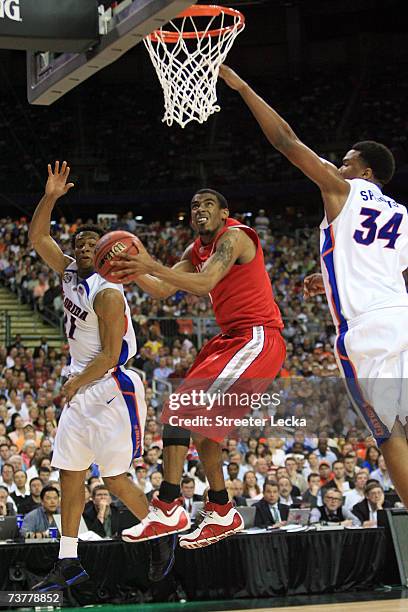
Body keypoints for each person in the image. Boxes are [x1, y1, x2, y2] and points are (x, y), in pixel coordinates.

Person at [219, 64, 408, 512]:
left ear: (363, 168)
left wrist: (243, 86)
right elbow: (388, 271)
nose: (338, 166)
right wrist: (326, 276)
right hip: (401, 316)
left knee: (390, 433)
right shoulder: (402, 213)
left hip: (366, 332)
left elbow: (286, 141)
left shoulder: (344, 188)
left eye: (345, 161)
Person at [111, 188, 285, 560]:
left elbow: (206, 283)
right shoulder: (195, 250)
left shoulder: (235, 237)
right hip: (230, 340)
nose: (199, 209)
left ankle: (169, 506)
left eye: (208, 204)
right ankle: (221, 509)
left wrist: (148, 263)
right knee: (205, 435)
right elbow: (160, 289)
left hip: (256, 336)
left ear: (224, 213)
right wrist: (130, 271)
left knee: (181, 407)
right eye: (194, 205)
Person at [28, 162, 152, 592]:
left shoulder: (108, 291)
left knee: (115, 479)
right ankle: (67, 560)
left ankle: (164, 533)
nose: (82, 247)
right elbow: (38, 237)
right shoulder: (67, 273)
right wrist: (51, 197)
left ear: (105, 254)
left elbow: (111, 353)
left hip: (111, 385)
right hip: (81, 386)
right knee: (69, 473)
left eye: (91, 244)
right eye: (78, 242)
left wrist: (75, 383)